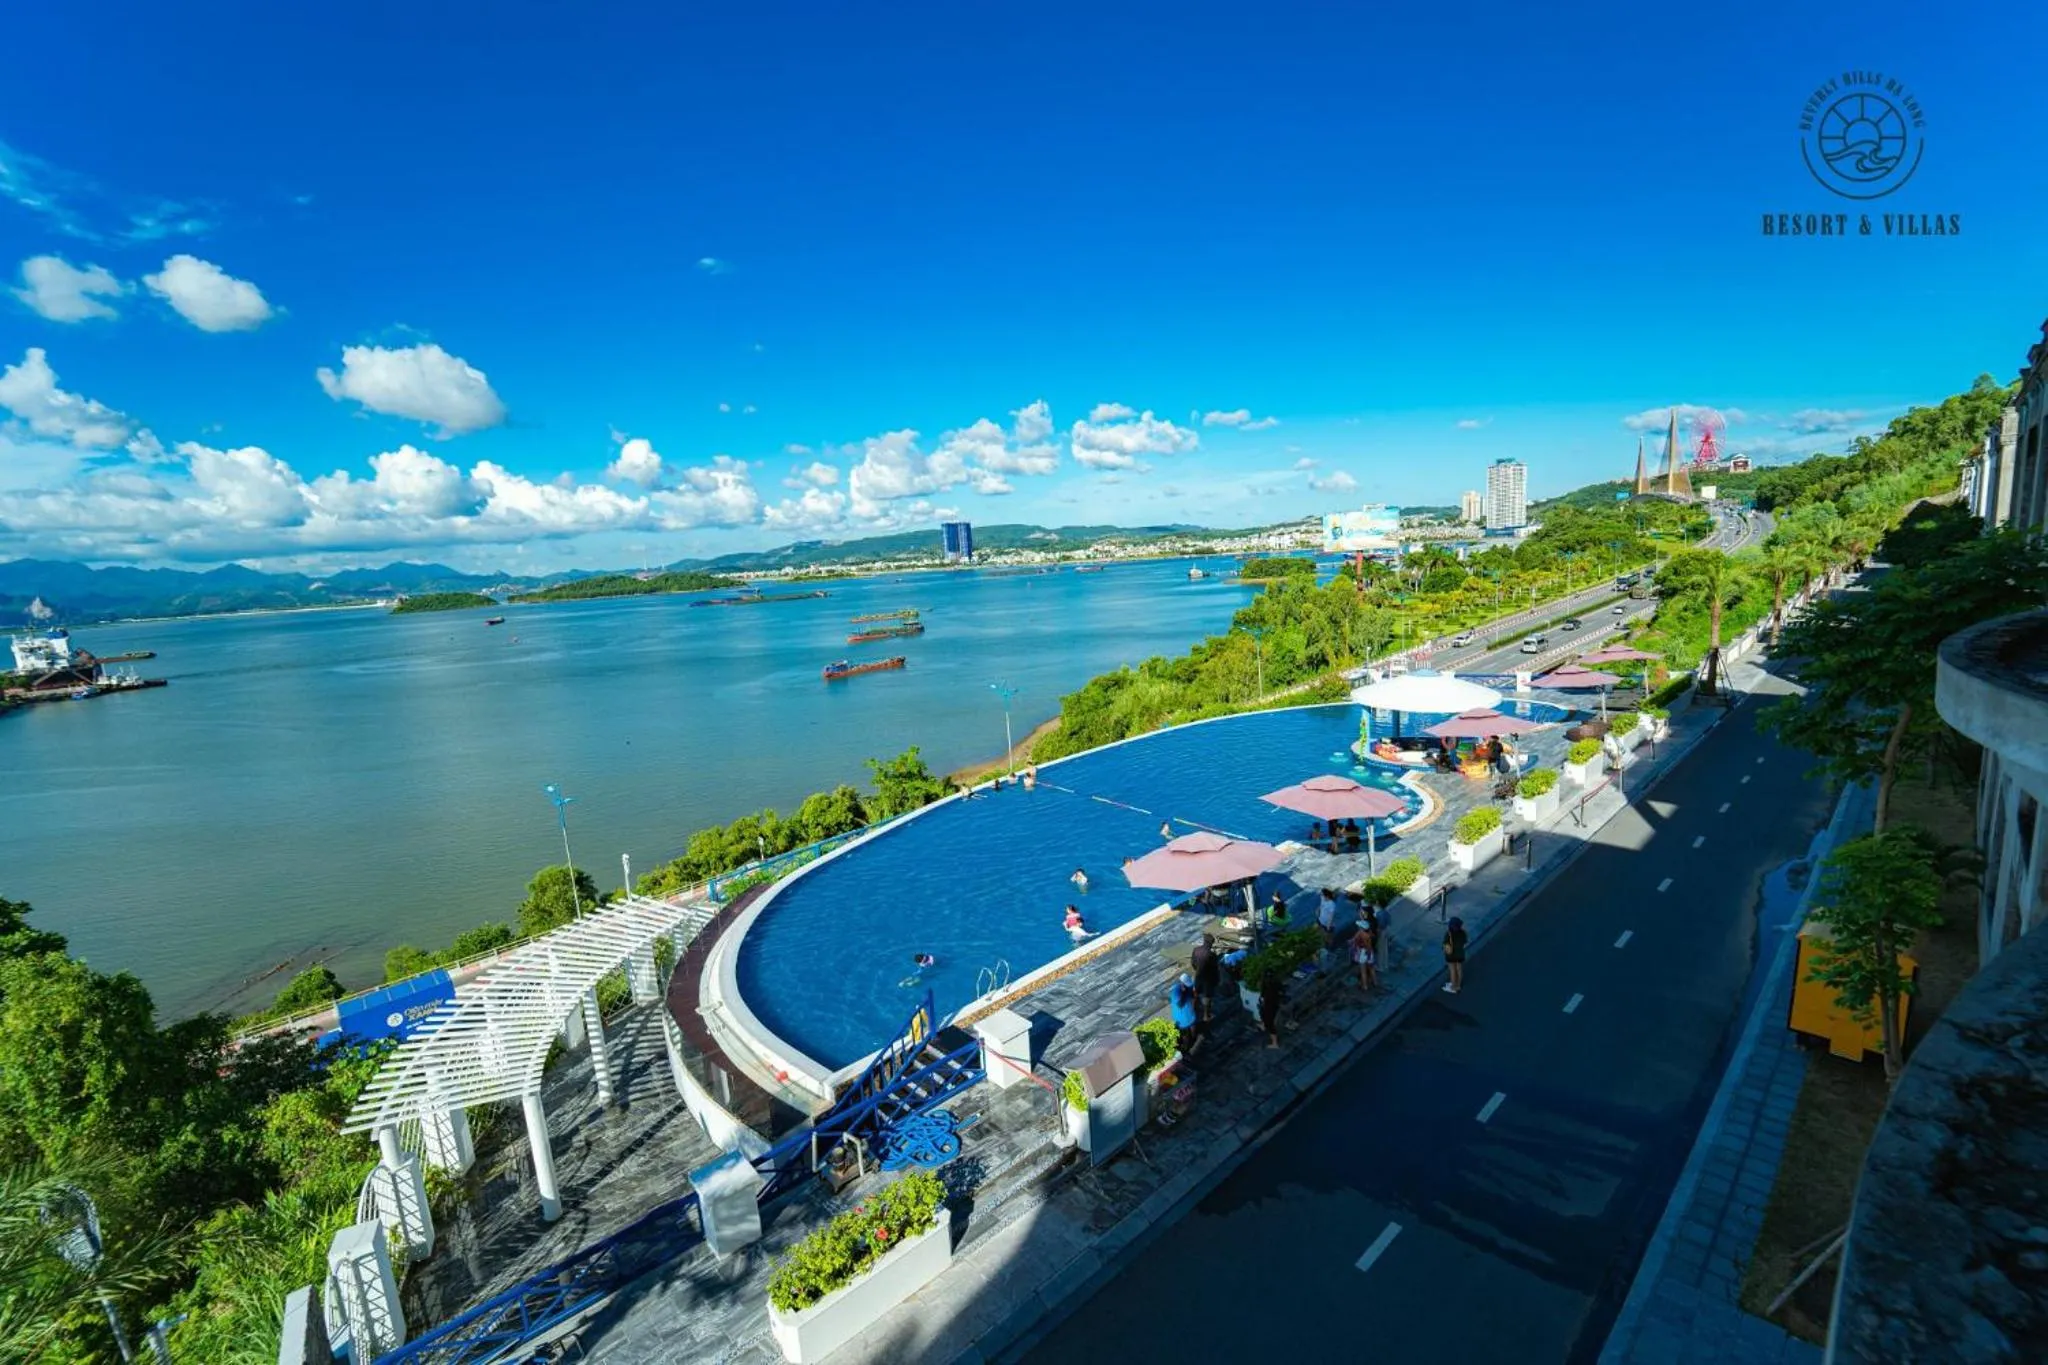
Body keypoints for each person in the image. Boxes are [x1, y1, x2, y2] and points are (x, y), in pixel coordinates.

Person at [1190, 932, 1220, 1022]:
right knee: (1207, 998)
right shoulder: (1211, 955)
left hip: (1198, 977)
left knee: (1196, 994)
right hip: (1208, 980)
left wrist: (1198, 970)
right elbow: (1215, 968)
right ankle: (1206, 1016)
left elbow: (1193, 963)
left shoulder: (1196, 950)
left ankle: (1192, 1010)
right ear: (1210, 943)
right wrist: (1216, 979)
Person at [1169, 973, 1202, 1055]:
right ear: (1181, 983)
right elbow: (1180, 1004)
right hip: (1182, 1019)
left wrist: (1193, 994)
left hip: (1190, 1014)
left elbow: (1193, 995)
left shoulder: (1189, 987)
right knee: (1185, 1035)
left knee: (1193, 1028)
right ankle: (1186, 1048)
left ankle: (1194, 1039)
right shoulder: (1175, 991)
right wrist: (1184, 992)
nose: (1189, 986)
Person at [1258, 965, 1286, 1047]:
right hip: (1275, 1003)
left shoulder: (1265, 984)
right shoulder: (1276, 982)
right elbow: (1281, 991)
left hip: (1268, 1004)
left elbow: (1262, 995)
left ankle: (1275, 1043)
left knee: (1269, 1023)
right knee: (1267, 1018)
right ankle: (1264, 1026)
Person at [1350, 918, 1378, 992]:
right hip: (1370, 952)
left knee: (1363, 971)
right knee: (1371, 968)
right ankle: (1375, 982)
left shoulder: (1361, 934)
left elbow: (1354, 940)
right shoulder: (1369, 933)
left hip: (1363, 952)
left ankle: (1365, 986)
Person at [1442, 915, 1468, 994]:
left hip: (1451, 955)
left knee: (1452, 970)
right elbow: (1465, 941)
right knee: (1459, 969)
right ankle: (1458, 985)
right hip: (1460, 954)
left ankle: (1453, 987)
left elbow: (1445, 944)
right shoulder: (1463, 933)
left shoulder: (1448, 934)